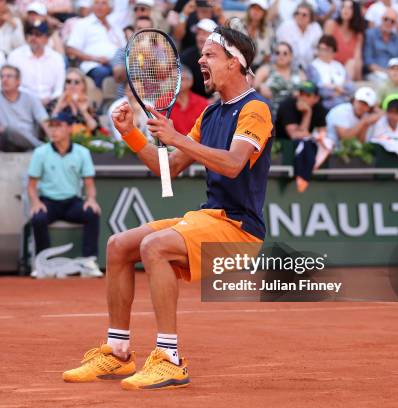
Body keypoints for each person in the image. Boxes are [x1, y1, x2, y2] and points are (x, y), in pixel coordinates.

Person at [63, 26, 273, 390]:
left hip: (240, 230)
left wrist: (176, 137)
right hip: (209, 217)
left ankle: (169, 359)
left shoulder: (255, 109)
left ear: (235, 64)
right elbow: (169, 168)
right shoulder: (209, 116)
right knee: (119, 245)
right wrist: (132, 134)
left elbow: (233, 164)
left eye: (210, 55)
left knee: (154, 246)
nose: (201, 61)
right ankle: (117, 352)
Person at [27, 111, 103, 277]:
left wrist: (91, 199)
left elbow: (89, 183)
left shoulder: (82, 152)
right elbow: (31, 186)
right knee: (38, 217)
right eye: (51, 126)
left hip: (72, 203)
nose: (53, 131)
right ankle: (42, 264)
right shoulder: (40, 153)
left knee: (92, 213)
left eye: (58, 126)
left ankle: (88, 262)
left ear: (69, 129)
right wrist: (35, 203)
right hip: (48, 202)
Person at [275, 81, 329, 192]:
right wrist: (307, 114)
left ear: (316, 98)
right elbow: (294, 135)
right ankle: (303, 177)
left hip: (302, 143)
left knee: (318, 144)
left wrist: (307, 113)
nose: (303, 98)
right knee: (304, 144)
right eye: (301, 94)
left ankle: (303, 178)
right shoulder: (288, 105)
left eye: (308, 95)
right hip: (282, 145)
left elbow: (322, 133)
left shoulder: (319, 108)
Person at [0, 65, 48, 152]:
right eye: (2, 76)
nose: (4, 79)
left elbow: (44, 121)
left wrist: (54, 138)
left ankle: (41, 147)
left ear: (18, 81)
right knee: (9, 131)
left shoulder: (30, 97)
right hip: (6, 142)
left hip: (28, 141)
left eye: (9, 76)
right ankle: (44, 148)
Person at [66, 0, 125, 88]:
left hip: (118, 62)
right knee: (103, 72)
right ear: (92, 6)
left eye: (103, 3)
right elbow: (70, 49)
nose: (99, 6)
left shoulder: (115, 27)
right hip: (95, 64)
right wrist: (95, 58)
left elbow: (124, 48)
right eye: (96, 3)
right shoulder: (83, 24)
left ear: (110, 8)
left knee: (132, 69)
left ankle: (124, 99)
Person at [8, 21, 64, 105]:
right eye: (30, 34)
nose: (33, 38)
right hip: (22, 101)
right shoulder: (15, 56)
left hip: (51, 103)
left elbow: (59, 88)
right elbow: (12, 84)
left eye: (38, 35)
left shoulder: (56, 58)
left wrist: (51, 100)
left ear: (46, 39)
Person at [254, 42, 306, 119]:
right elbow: (252, 88)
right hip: (270, 113)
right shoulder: (265, 70)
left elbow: (307, 91)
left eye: (285, 53)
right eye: (277, 53)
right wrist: (259, 88)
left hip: (294, 114)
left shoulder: (299, 73)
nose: (281, 56)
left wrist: (301, 94)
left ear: (291, 56)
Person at [48, 68, 99, 135]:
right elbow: (48, 129)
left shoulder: (90, 103)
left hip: (85, 140)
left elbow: (95, 130)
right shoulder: (55, 102)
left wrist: (84, 111)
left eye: (76, 82)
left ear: (83, 85)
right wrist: (58, 107)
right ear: (64, 84)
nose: (72, 85)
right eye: (68, 81)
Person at [111, 16, 154, 98]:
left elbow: (164, 77)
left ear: (152, 33)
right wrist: (134, 52)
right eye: (139, 29)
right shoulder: (121, 52)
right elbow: (118, 78)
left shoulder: (158, 50)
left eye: (147, 29)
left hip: (151, 101)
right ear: (134, 31)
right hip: (126, 100)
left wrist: (152, 58)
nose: (142, 32)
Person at [323, 0, 365, 81]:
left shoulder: (358, 34)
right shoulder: (331, 25)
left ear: (355, 12)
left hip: (347, 69)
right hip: (330, 65)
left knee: (352, 63)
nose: (345, 10)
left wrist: (360, 79)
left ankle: (345, 87)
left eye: (349, 8)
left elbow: (358, 58)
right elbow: (324, 49)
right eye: (343, 7)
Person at [308, 35, 353, 110]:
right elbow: (318, 88)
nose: (322, 53)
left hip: (344, 101)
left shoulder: (339, 66)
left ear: (334, 52)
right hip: (325, 104)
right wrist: (336, 88)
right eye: (320, 49)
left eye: (326, 50)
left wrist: (337, 89)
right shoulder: (312, 67)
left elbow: (351, 86)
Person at [228, 0, 274, 71]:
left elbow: (267, 56)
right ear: (249, 9)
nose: (256, 11)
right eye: (253, 8)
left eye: (259, 9)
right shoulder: (237, 25)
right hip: (236, 65)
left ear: (264, 13)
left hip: (257, 68)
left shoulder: (269, 31)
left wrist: (259, 73)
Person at [276, 3, 323, 70]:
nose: (300, 16)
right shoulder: (286, 26)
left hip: (309, 67)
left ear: (310, 17)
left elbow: (319, 49)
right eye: (297, 13)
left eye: (304, 15)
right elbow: (282, 50)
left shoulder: (316, 28)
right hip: (288, 66)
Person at [363, 7, 398, 82]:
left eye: (392, 21)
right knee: (384, 81)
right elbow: (368, 61)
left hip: (394, 74)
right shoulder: (370, 34)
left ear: (395, 24)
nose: (388, 22)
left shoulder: (396, 38)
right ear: (381, 19)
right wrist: (385, 72)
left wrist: (395, 73)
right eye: (386, 19)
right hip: (374, 73)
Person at [180, 18, 217, 98]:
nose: (200, 37)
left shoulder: (222, 57)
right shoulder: (186, 56)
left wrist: (215, 101)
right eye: (198, 34)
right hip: (192, 103)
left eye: (204, 34)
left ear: (214, 36)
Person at [169, 66, 208, 135]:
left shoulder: (202, 103)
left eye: (181, 79)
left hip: (196, 144)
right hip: (171, 144)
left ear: (190, 81)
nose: (177, 82)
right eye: (174, 79)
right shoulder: (163, 103)